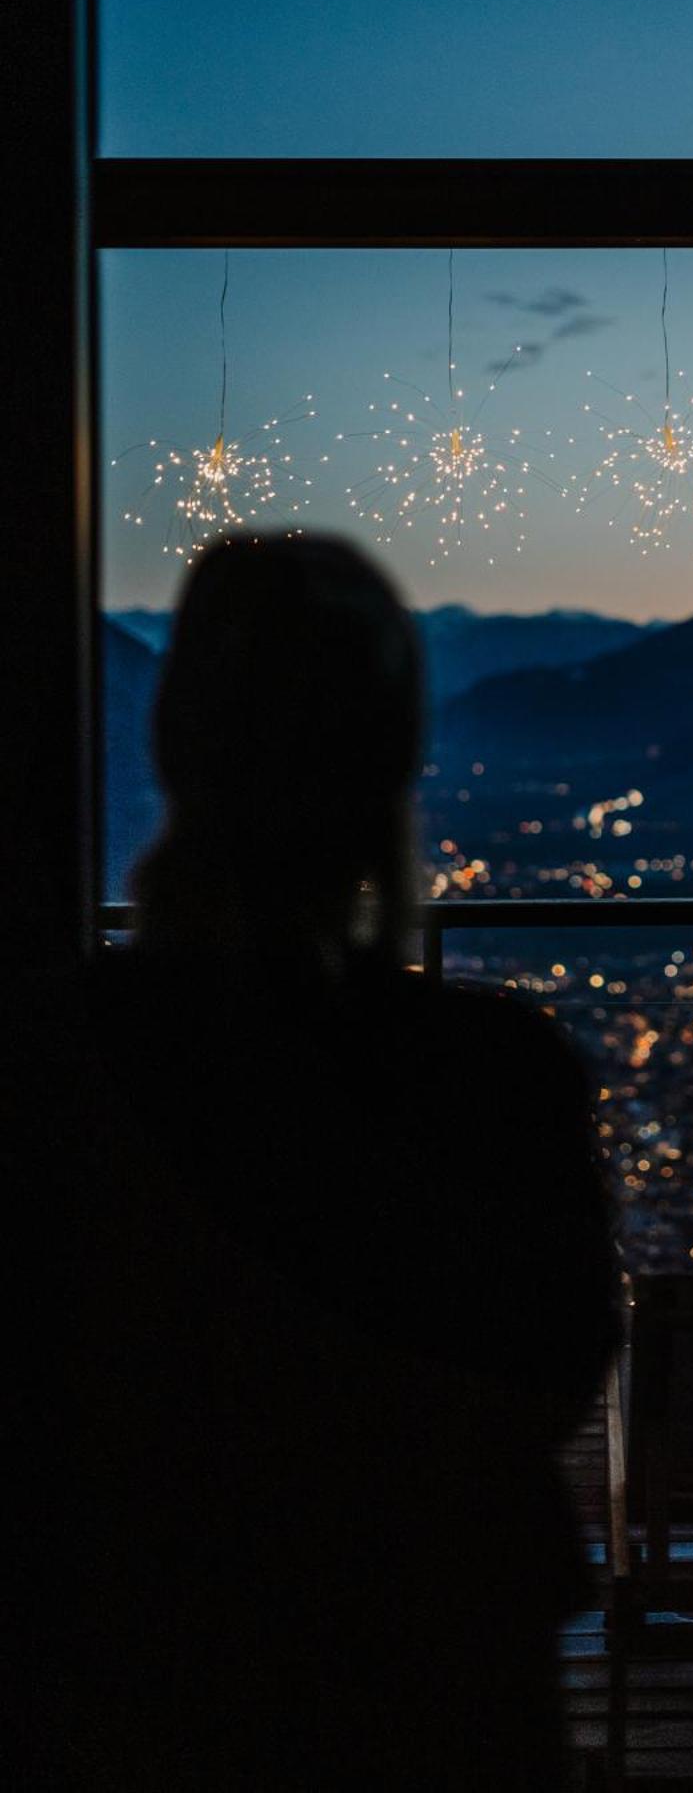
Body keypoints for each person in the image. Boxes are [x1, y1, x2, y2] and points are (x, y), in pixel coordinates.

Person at [9, 534, 619, 1786]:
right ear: (392, 763)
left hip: (131, 1682)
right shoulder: (494, 1075)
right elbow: (553, 1362)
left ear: (179, 747)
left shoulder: (53, 1065)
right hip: (449, 1680)